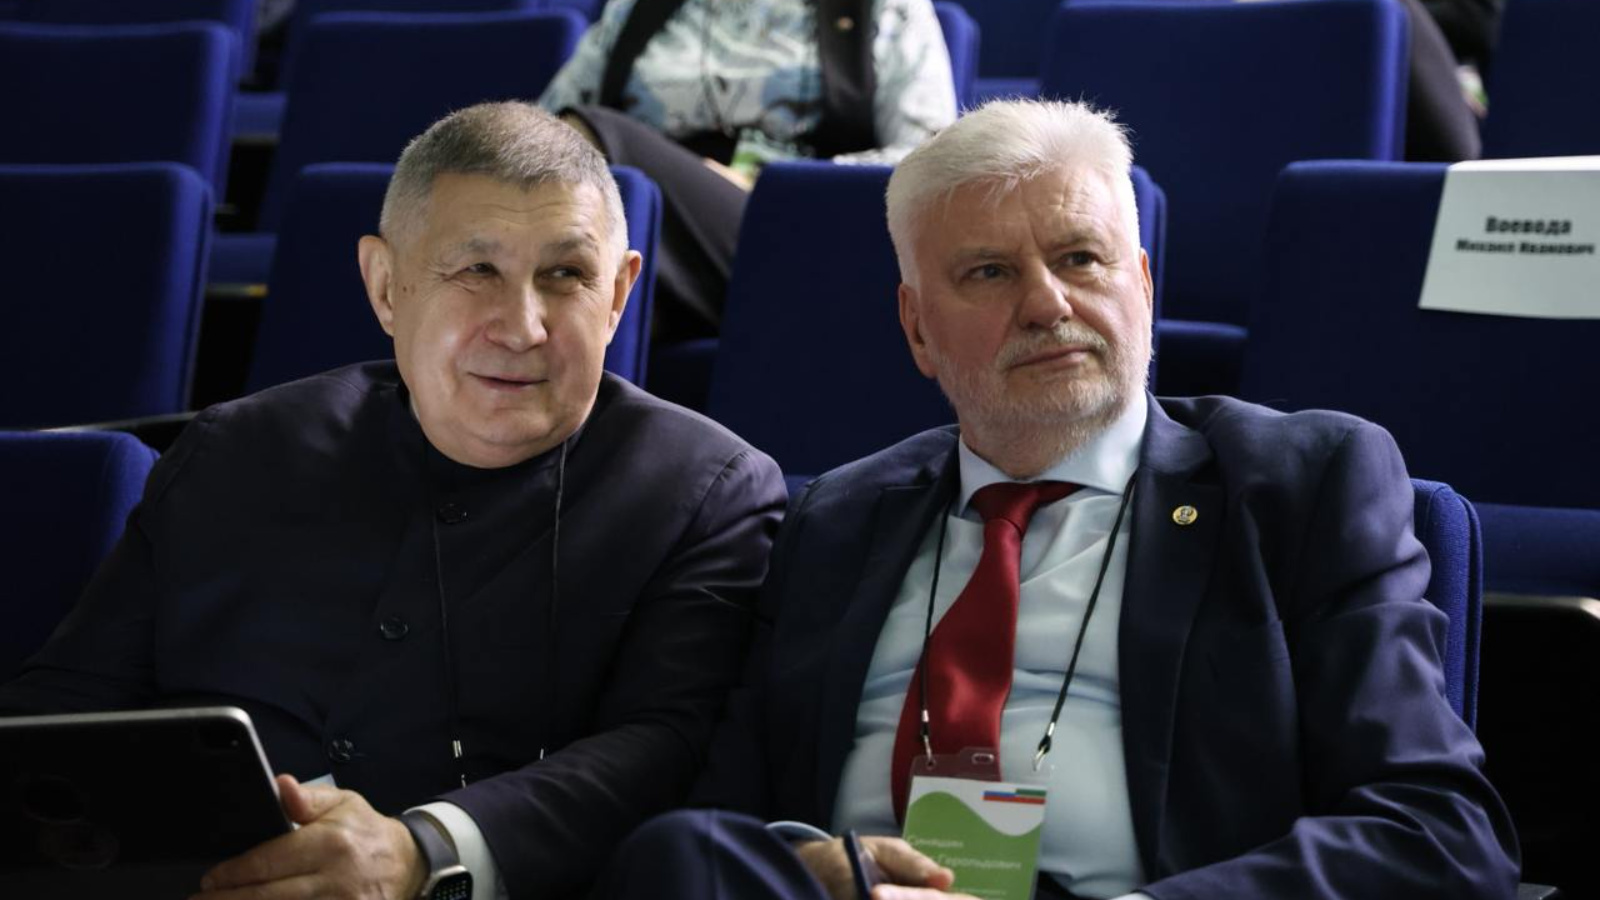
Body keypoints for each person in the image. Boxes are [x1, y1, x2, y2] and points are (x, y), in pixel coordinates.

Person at [595, 99, 1520, 899]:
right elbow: (723, 819)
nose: (1046, 305)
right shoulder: (836, 519)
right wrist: (820, 868)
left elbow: (1438, 831)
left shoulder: (1298, 485)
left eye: (1080, 258)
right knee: (667, 856)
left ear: (1143, 286)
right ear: (917, 329)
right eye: (989, 272)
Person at [0, 102, 786, 900]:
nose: (523, 327)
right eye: (476, 270)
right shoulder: (234, 449)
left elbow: (668, 748)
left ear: (617, 295)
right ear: (385, 286)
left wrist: (424, 851)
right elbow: (61, 713)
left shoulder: (704, 491)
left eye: (566, 275)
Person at [538, 0, 958, 340]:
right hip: (648, 226)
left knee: (594, 137)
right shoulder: (636, 8)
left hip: (788, 226)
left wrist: (774, 185)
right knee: (594, 294)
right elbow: (538, 136)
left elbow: (929, 159)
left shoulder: (887, 8)